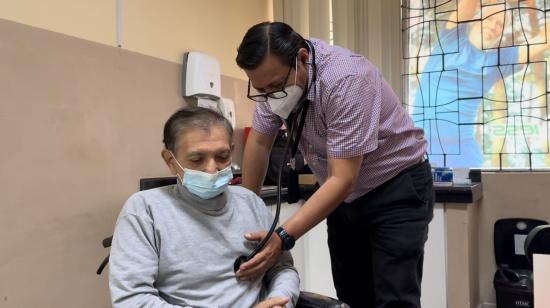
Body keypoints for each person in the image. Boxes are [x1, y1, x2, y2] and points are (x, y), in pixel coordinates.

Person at [234, 22, 434, 308]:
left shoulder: (346, 80)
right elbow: (259, 143)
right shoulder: (272, 82)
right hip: (344, 197)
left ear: (302, 58)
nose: (270, 97)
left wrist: (281, 237)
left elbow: (342, 178)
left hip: (395, 188)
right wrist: (247, 209)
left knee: (394, 298)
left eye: (277, 86)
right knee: (351, 295)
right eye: (262, 90)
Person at [109, 107, 299, 307]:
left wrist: (279, 301)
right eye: (197, 159)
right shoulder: (145, 211)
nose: (211, 169)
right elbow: (132, 299)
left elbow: (283, 269)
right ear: (170, 161)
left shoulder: (251, 203)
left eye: (222, 156)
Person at [411, 0, 546, 167]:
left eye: (500, 24)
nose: (493, 26)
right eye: (490, 19)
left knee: (482, 189)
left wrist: (533, 9)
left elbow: (543, 40)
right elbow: (468, 4)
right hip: (423, 145)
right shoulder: (451, 39)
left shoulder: (496, 62)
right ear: (477, 18)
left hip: (463, 151)